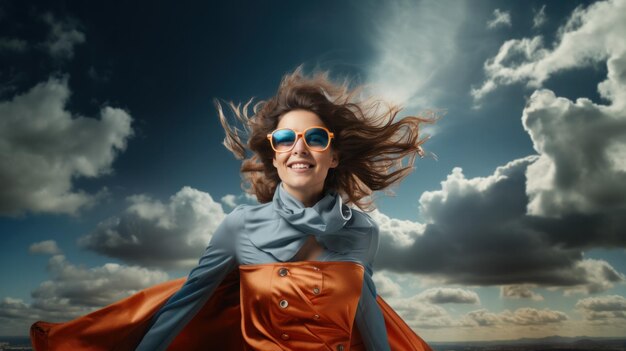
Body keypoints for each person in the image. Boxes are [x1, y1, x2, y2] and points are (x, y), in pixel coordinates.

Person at [30, 66, 438, 351]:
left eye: (314, 137)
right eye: (284, 139)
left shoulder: (362, 232)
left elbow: (367, 313)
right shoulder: (240, 226)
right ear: (274, 158)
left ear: (333, 156)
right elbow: (181, 309)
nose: (298, 147)